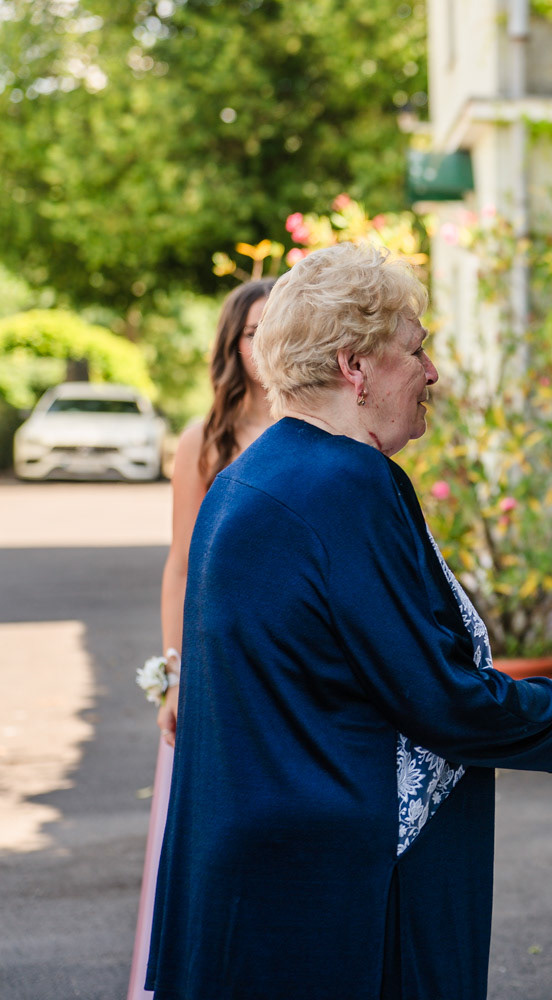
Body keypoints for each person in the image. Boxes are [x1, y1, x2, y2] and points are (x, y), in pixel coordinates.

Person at [143, 242, 552, 1000]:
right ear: (355, 366)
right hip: (340, 892)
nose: (431, 372)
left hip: (265, 878)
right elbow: (433, 694)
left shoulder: (252, 475)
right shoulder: (346, 482)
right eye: (415, 348)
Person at [128, 277, 276, 1000]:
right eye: (253, 333)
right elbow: (182, 564)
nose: (266, 344)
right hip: (220, 658)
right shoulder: (204, 439)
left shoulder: (323, 429)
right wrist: (175, 674)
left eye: (278, 328)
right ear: (231, 345)